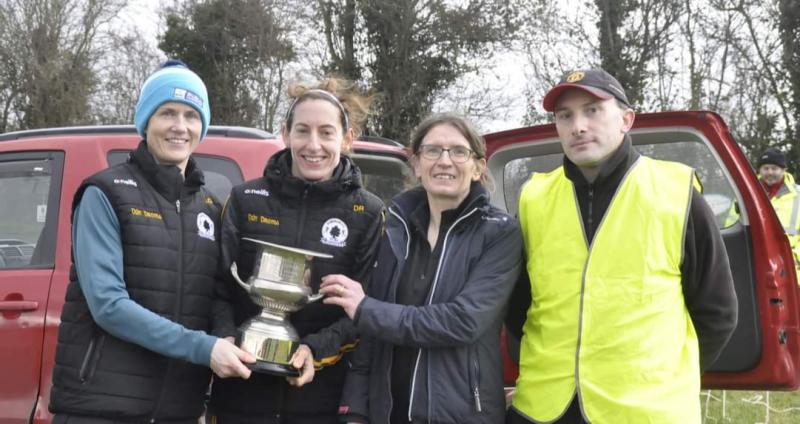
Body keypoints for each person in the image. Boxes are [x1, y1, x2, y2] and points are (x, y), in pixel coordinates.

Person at [505, 69, 739, 423]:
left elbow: (718, 312)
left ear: (626, 119)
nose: (578, 126)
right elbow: (518, 304)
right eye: (565, 116)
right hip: (544, 408)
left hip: (644, 411)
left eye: (593, 110)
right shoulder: (534, 197)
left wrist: (665, 376)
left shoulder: (675, 191)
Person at [49, 60, 255, 423]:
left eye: (192, 115)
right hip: (101, 407)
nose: (180, 126)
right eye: (167, 113)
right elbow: (108, 305)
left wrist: (233, 340)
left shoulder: (211, 207)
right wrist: (205, 348)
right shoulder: (106, 193)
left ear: (202, 126)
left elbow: (217, 297)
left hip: (179, 409)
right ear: (146, 121)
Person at [321, 113, 524, 424]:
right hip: (388, 413)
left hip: (461, 415)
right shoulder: (393, 229)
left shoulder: (499, 233)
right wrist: (355, 412)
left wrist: (366, 309)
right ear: (415, 164)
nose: (445, 161)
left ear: (478, 167)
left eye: (458, 151)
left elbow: (462, 321)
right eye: (433, 151)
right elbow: (370, 337)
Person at [206, 78, 385, 423]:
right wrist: (226, 337)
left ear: (347, 140)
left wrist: (314, 350)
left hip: (320, 401)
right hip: (239, 395)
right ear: (285, 134)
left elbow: (366, 310)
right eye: (302, 131)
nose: (313, 145)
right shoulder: (244, 199)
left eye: (326, 132)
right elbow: (217, 288)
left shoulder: (369, 213)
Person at [757, 147, 800, 273]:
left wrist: (793, 258)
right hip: (757, 270)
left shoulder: (798, 195)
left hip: (793, 274)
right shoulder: (747, 194)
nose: (770, 172)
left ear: (784, 170)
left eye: (774, 168)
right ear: (759, 170)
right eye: (766, 168)